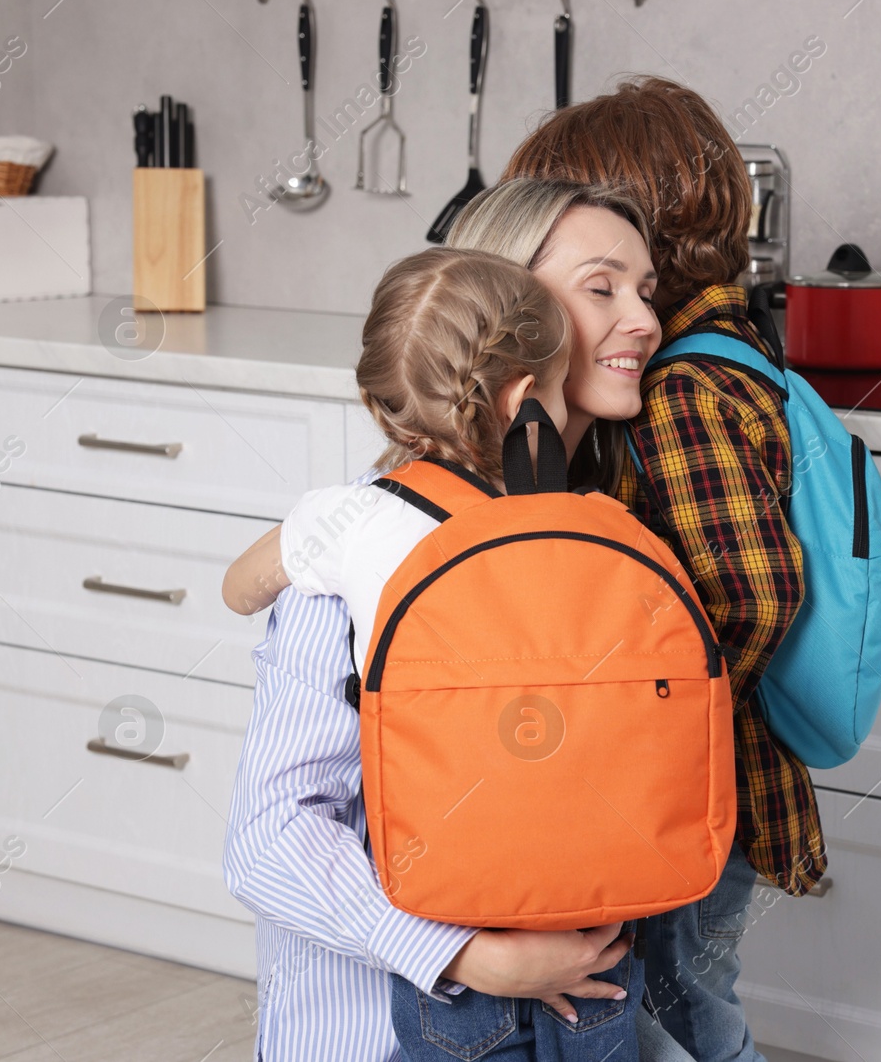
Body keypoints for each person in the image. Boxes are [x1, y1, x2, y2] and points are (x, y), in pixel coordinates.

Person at [500, 77, 881, 1062]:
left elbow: (750, 592)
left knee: (682, 1012)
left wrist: (635, 727)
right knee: (684, 999)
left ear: (630, 219)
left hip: (687, 785)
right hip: (718, 781)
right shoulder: (737, 345)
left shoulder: (676, 387)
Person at [223, 181, 690, 1062]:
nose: (644, 319)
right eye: (601, 288)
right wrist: (471, 954)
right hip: (371, 1029)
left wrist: (879, 534)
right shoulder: (368, 550)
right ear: (505, 309)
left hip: (582, 993)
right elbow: (269, 838)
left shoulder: (600, 531)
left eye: (646, 290)